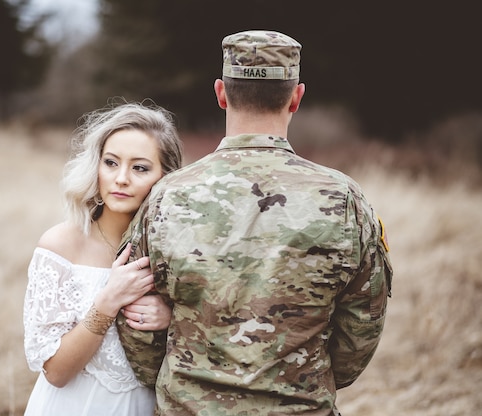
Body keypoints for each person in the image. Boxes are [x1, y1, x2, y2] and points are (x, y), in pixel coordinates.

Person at [116, 30, 393, 415]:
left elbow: (135, 319)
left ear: (221, 94)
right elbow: (361, 327)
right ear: (296, 98)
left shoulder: (166, 196)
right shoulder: (344, 199)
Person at [22, 100, 184, 416]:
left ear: (166, 177)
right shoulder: (60, 246)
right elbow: (55, 373)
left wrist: (172, 319)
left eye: (139, 168)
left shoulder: (179, 252)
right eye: (111, 162)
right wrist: (108, 302)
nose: (121, 178)